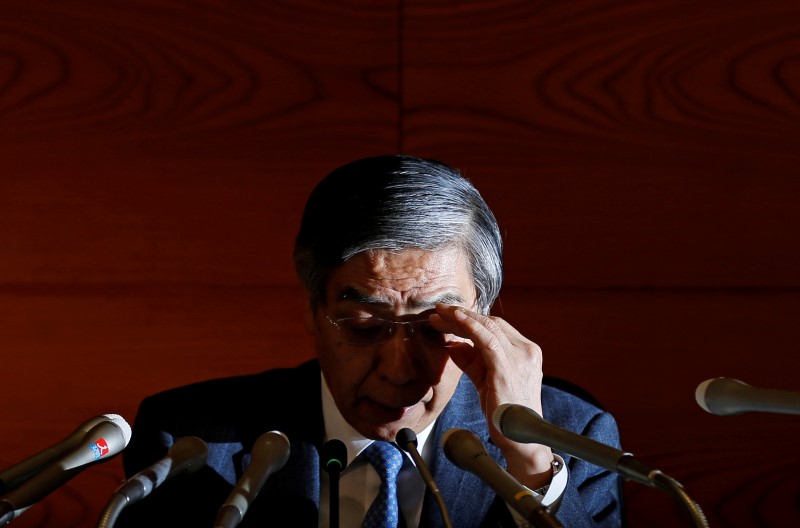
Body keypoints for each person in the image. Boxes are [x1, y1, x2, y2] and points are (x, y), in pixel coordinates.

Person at [118, 155, 623, 527]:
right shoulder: (190, 441)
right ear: (314, 310)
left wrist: (530, 464)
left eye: (433, 328)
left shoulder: (573, 438)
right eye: (363, 326)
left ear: (483, 320)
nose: (400, 370)